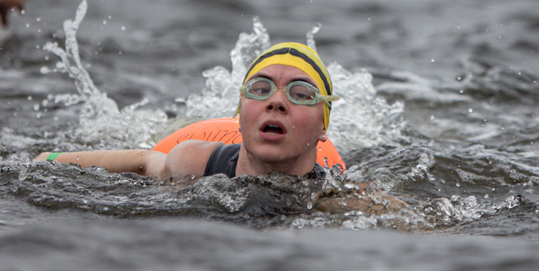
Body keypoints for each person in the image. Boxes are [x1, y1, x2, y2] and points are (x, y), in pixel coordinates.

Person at [36, 42, 337, 182]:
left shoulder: (338, 199)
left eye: (301, 94)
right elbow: (143, 162)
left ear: (323, 127)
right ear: (241, 114)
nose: (277, 101)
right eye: (260, 89)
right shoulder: (196, 163)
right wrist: (46, 160)